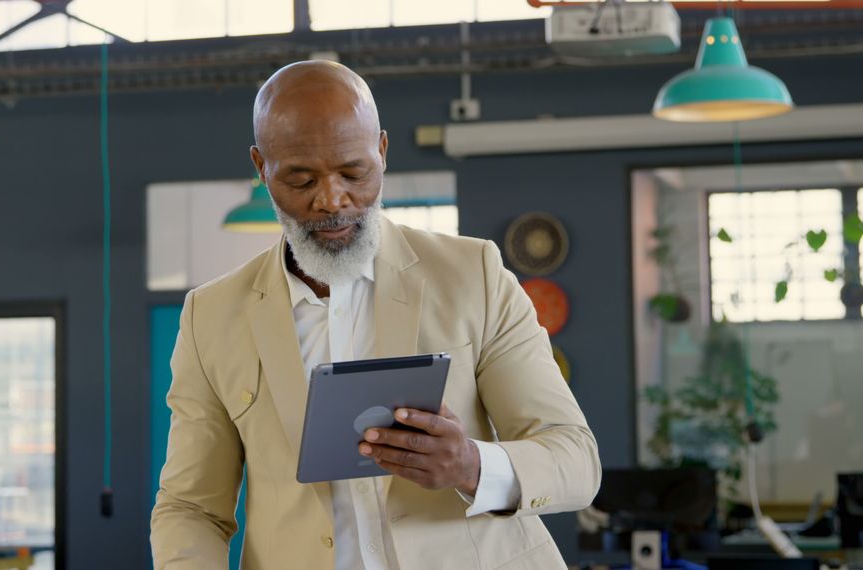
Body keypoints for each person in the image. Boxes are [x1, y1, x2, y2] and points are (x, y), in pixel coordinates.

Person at [150, 60, 600, 570]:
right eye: (301, 179)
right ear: (262, 168)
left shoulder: (474, 274)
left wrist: (471, 464)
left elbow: (575, 461)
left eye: (353, 172)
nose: (332, 199)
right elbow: (190, 508)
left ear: (382, 153)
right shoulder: (210, 316)